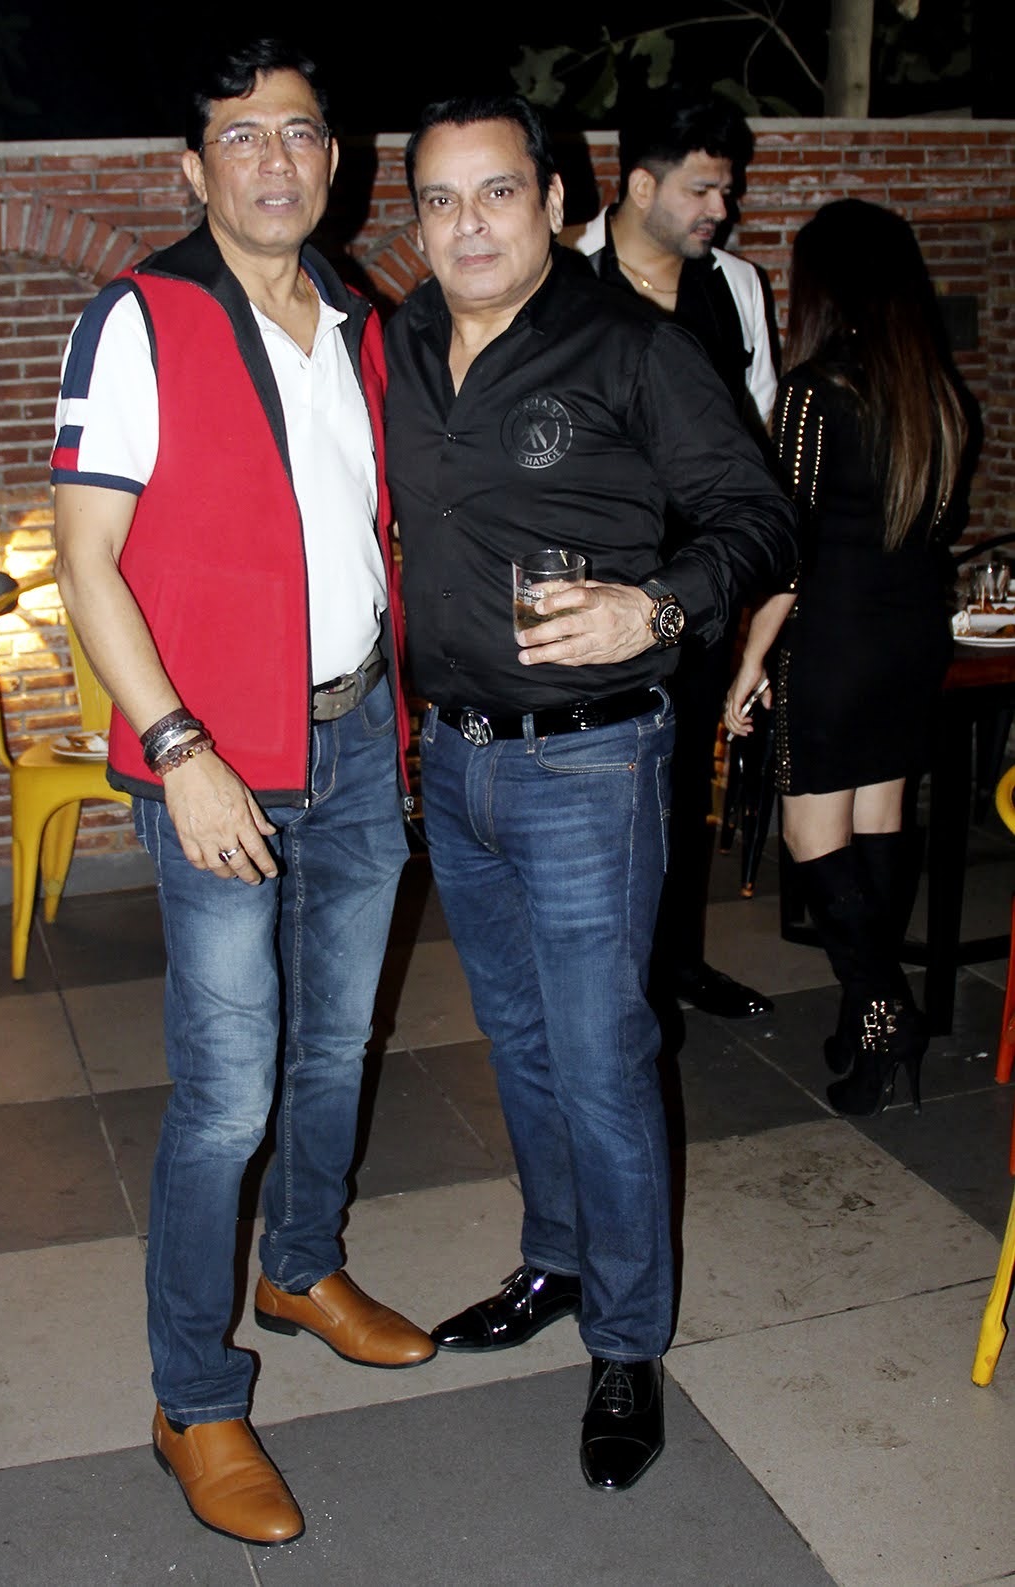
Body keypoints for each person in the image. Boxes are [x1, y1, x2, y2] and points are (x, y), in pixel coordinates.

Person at [50, 39, 434, 1548]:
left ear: (336, 158)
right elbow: (86, 558)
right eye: (241, 136)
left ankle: (302, 1265)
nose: (276, 159)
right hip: (219, 759)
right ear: (192, 168)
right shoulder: (140, 318)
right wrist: (178, 749)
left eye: (300, 132)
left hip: (358, 741)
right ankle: (193, 1396)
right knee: (227, 1094)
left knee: (337, 1046)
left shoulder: (359, 321)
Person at [385, 94, 796, 1491]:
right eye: (440, 199)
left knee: (604, 1055)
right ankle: (555, 1261)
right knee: (518, 1040)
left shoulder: (632, 346)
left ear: (556, 200)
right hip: (456, 756)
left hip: (591, 763)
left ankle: (626, 1340)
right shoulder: (396, 341)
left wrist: (655, 607)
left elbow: (760, 516)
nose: (467, 225)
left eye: (497, 191)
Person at [724, 198, 970, 1117]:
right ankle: (864, 1019)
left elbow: (787, 549)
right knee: (877, 823)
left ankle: (882, 1014)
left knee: (811, 838)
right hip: (911, 636)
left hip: (832, 641)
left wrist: (750, 659)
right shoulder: (936, 392)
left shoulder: (812, 392)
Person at [571, 89, 780, 1021]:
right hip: (596, 583)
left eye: (725, 192)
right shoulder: (565, 275)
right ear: (642, 185)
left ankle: (677, 964)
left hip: (699, 586)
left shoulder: (734, 286)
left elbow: (757, 431)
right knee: (605, 788)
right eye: (702, 190)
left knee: (687, 771)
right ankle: (614, 984)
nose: (719, 210)